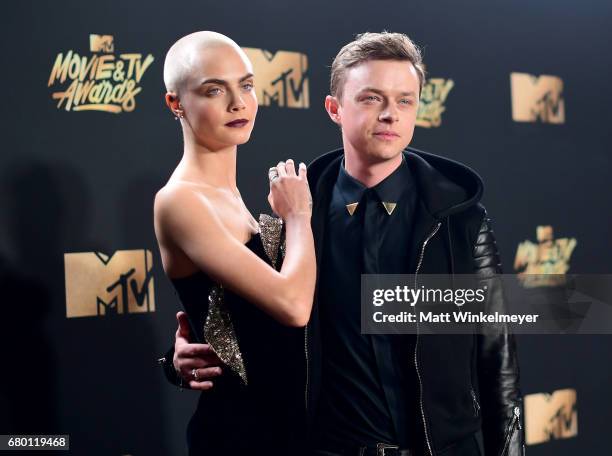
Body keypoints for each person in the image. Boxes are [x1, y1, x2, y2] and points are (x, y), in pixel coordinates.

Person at [160, 32, 524, 456]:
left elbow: (497, 358)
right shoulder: (299, 213)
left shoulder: (458, 222)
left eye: (405, 100)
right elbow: (260, 328)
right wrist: (180, 361)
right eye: (371, 98)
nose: (390, 114)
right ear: (335, 108)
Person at [153, 31, 316, 455]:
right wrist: (298, 216)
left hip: (289, 431)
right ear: (176, 103)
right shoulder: (179, 200)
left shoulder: (232, 196)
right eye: (214, 90)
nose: (238, 103)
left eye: (245, 85)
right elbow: (293, 306)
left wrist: (176, 359)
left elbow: (247, 325)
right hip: (241, 437)